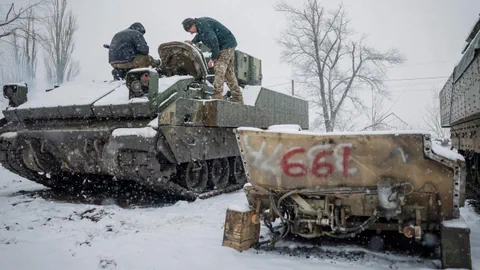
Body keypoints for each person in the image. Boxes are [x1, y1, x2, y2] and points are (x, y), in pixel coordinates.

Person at [182, 17, 244, 104]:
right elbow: (200, 35)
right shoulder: (200, 25)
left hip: (226, 45)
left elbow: (214, 43)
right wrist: (192, 42)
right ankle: (237, 98)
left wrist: (213, 59)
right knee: (228, 73)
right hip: (228, 44)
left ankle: (217, 93)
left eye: (190, 30)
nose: (191, 33)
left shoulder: (204, 26)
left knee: (219, 67)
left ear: (193, 25)